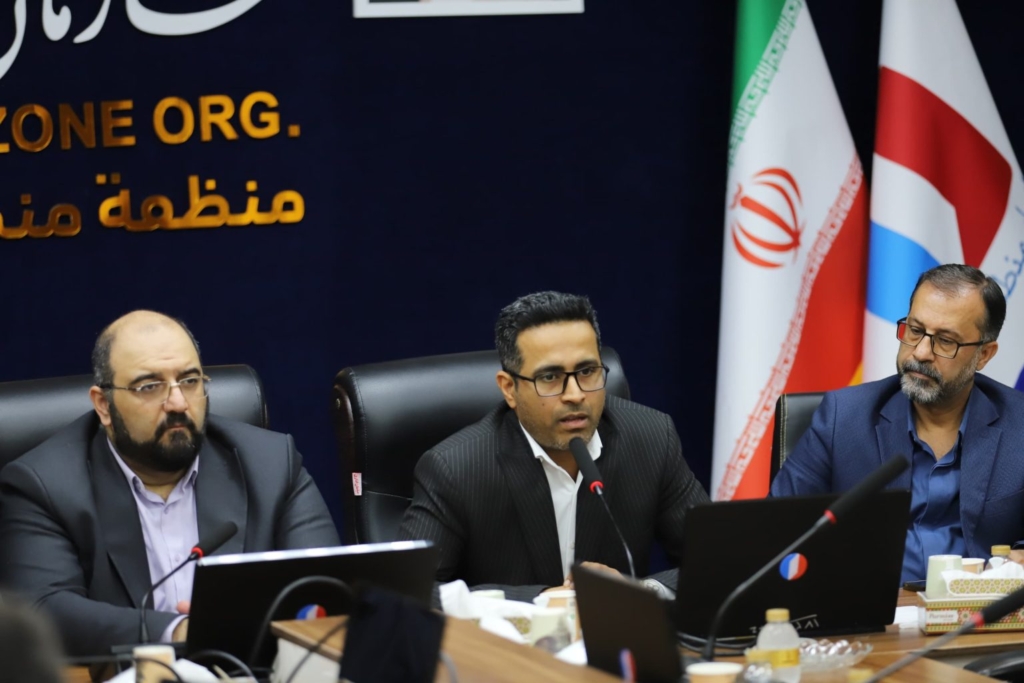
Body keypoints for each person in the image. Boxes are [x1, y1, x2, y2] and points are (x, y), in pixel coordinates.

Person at [0, 311, 339, 656]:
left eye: (190, 381)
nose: (178, 403)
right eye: (149, 386)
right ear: (103, 405)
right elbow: (44, 609)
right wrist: (179, 630)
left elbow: (327, 587)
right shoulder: (43, 486)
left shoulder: (271, 465)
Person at [397, 291, 709, 602]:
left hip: (615, 633)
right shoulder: (456, 468)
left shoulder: (651, 439)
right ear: (509, 389)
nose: (575, 395)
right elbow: (408, 591)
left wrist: (638, 591)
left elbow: (716, 560)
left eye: (587, 372)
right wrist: (542, 601)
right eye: (550, 377)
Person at [771, 264, 1024, 582]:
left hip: (981, 609)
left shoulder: (1018, 424)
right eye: (915, 330)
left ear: (984, 354)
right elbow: (776, 529)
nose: (921, 352)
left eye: (945, 341)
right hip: (872, 607)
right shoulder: (843, 417)